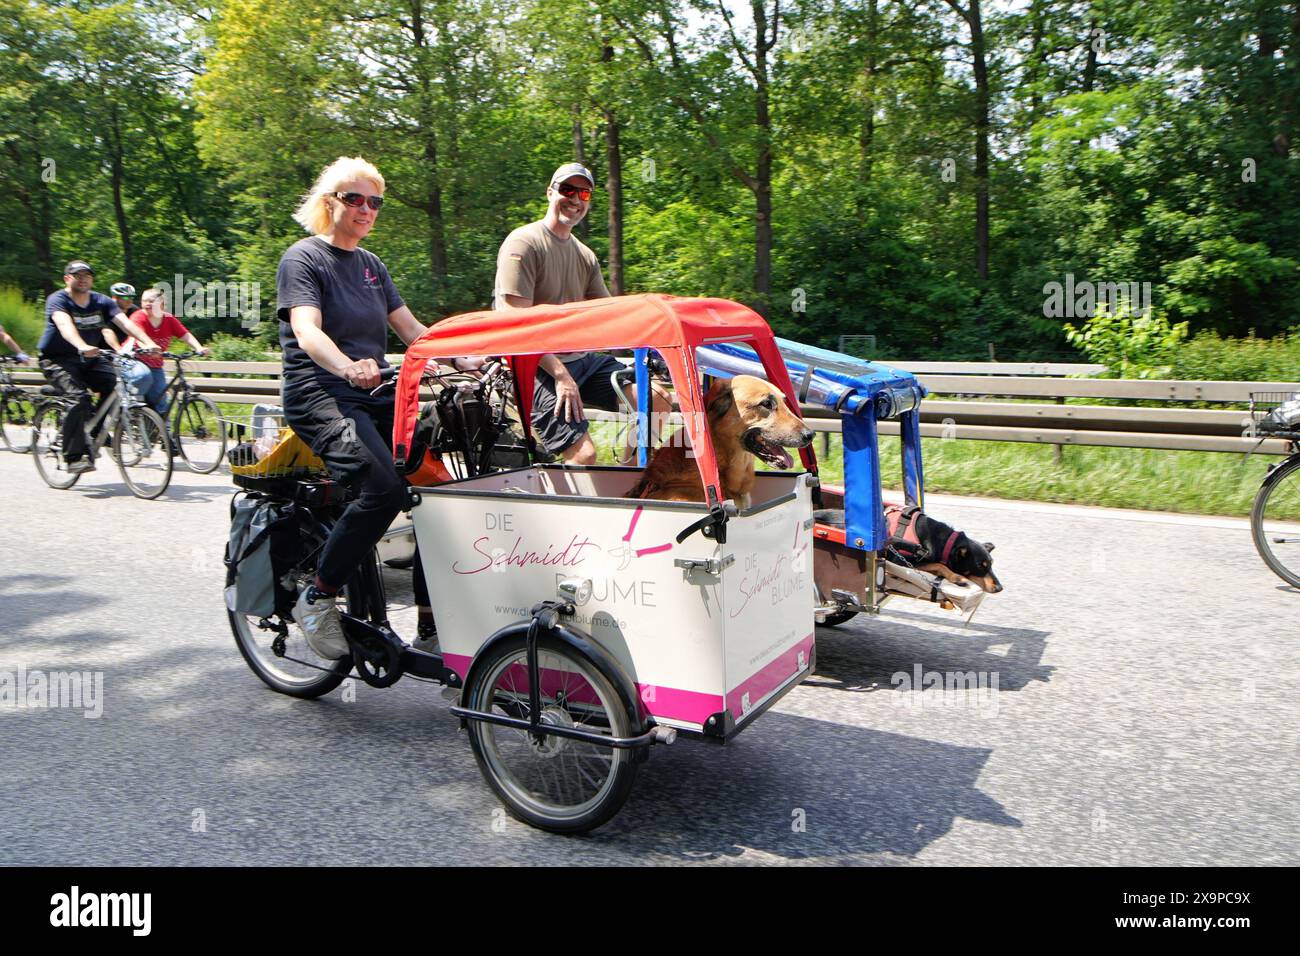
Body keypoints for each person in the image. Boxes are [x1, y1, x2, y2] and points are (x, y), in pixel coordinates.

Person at [277, 156, 437, 659]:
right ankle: (318, 596)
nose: (366, 209)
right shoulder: (304, 258)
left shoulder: (373, 267)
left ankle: (434, 621)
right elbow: (307, 330)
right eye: (354, 198)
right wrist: (348, 365)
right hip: (319, 392)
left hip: (371, 391)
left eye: (375, 201)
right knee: (384, 488)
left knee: (442, 492)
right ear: (330, 203)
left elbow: (413, 331)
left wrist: (471, 357)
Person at [494, 162, 669, 465]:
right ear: (551, 193)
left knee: (659, 401)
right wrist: (561, 375)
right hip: (533, 367)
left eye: (584, 193)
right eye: (567, 190)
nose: (575, 200)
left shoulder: (585, 255)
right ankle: (559, 508)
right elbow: (512, 320)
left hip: (582, 363)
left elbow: (611, 315)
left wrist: (658, 340)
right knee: (585, 455)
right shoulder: (524, 242)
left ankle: (630, 484)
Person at [38, 261, 161, 473]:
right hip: (58, 358)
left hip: (90, 357)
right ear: (68, 279)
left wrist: (147, 342)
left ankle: (94, 429)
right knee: (78, 399)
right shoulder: (58, 299)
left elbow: (126, 323)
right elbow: (64, 325)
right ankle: (74, 457)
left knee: (117, 384)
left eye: (87, 275)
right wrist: (81, 345)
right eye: (78, 275)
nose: (84, 278)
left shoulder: (100, 301)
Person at [117, 288, 208, 414]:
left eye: (151, 301)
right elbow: (138, 337)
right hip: (133, 360)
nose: (147, 304)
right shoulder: (138, 316)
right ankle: (132, 410)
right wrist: (146, 346)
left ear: (161, 303)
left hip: (155, 365)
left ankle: (163, 430)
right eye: (144, 301)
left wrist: (198, 347)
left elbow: (185, 334)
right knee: (143, 376)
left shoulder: (169, 319)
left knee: (160, 400)